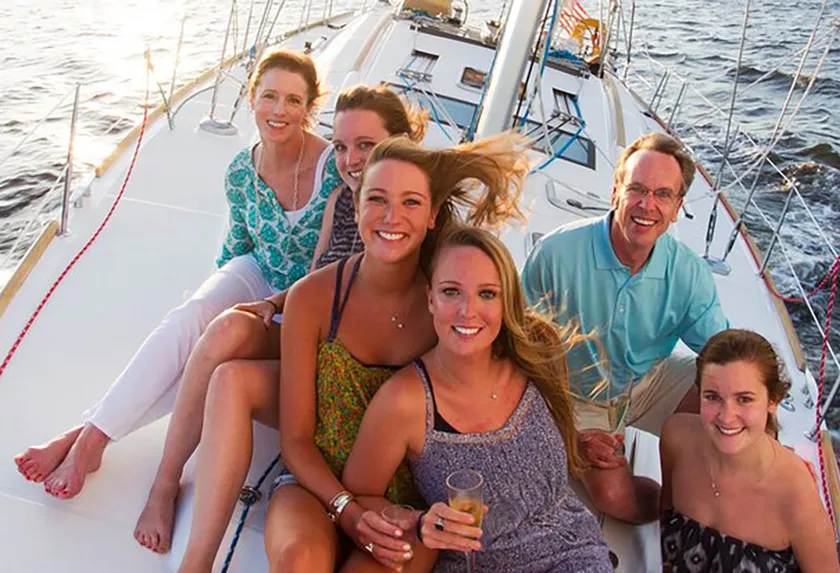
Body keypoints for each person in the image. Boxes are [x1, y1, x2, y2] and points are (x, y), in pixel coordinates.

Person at [176, 133, 529, 573]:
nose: (391, 216)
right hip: (313, 484)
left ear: (434, 215)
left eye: (411, 203)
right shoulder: (312, 298)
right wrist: (346, 508)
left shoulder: (446, 305)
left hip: (405, 503)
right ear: (356, 206)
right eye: (376, 199)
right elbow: (297, 439)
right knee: (297, 560)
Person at [12, 49, 337, 502]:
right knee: (191, 318)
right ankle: (93, 440)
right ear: (252, 99)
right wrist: (213, 300)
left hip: (303, 297)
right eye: (269, 97)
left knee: (215, 344)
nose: (279, 111)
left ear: (309, 108)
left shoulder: (333, 168)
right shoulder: (242, 171)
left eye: (293, 100)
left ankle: (84, 435)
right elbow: (238, 247)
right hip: (258, 269)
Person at [130, 85, 428, 554]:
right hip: (321, 350)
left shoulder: (416, 220)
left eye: (365, 146)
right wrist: (275, 302)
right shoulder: (342, 204)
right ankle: (167, 488)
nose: (349, 160)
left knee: (233, 371)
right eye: (342, 146)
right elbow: (324, 276)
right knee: (228, 334)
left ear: (400, 143)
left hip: (362, 378)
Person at [341, 225, 613, 573]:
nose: (468, 311)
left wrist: (578, 443)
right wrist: (420, 521)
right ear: (430, 299)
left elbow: (548, 442)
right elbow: (359, 496)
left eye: (487, 294)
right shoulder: (404, 401)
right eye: (452, 291)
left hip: (573, 554)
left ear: (506, 302)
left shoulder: (535, 357)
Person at [521, 132, 729, 524]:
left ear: (677, 206)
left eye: (663, 195)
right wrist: (566, 432)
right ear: (616, 190)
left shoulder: (688, 272)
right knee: (617, 500)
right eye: (637, 189)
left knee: (734, 395)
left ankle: (696, 505)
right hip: (576, 396)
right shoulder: (555, 253)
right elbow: (515, 350)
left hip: (649, 381)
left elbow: (723, 353)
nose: (647, 205)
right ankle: (681, 505)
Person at [659, 329, 839, 572]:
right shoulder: (676, 439)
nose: (726, 416)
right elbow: (665, 524)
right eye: (712, 397)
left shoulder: (795, 495)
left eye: (744, 399)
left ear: (773, 401)